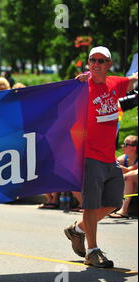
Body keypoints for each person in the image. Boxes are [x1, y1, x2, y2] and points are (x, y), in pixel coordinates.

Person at [64, 46, 138, 268]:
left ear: (109, 65)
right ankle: (92, 251)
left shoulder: (115, 83)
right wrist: (77, 80)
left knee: (114, 202)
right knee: (91, 205)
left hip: (109, 157)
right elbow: (62, 97)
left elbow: (133, 78)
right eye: (92, 60)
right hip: (88, 156)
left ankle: (76, 229)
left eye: (101, 60)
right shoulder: (81, 87)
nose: (96, 64)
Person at [109, 135, 138, 218]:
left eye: (125, 144)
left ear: (134, 148)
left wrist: (118, 167)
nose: (122, 146)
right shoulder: (122, 159)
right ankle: (107, 206)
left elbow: (130, 171)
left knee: (128, 177)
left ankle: (124, 210)